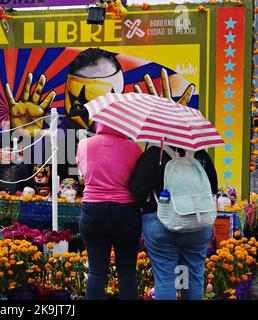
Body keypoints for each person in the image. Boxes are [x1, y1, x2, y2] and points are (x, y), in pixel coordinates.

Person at [128, 145, 218, 300]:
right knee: (193, 278)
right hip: (198, 224)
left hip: (161, 225)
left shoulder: (155, 154)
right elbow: (212, 189)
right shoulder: (202, 156)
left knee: (166, 280)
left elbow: (137, 192)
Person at [76, 122, 143, 300]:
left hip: (92, 211)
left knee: (96, 271)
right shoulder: (135, 149)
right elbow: (137, 180)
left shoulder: (84, 145)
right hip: (125, 212)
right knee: (127, 272)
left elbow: (84, 173)